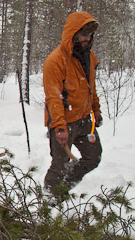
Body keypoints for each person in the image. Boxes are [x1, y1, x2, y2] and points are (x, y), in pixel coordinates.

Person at [43, 11, 102, 196]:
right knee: (59, 165)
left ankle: (63, 188)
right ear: (73, 34)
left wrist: (96, 110)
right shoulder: (55, 61)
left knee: (93, 157)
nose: (87, 38)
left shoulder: (88, 56)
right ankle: (48, 200)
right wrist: (59, 127)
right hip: (64, 122)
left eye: (90, 35)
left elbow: (90, 86)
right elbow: (53, 97)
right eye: (84, 34)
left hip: (85, 120)